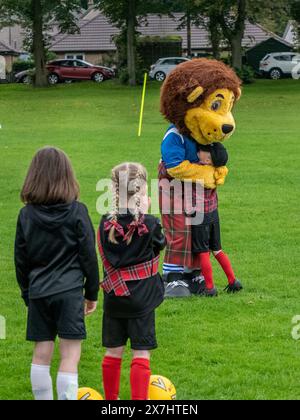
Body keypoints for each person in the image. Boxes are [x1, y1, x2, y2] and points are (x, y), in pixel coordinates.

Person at [14, 147, 99, 400]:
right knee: (70, 355)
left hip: (39, 292)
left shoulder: (26, 215)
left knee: (41, 354)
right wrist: (91, 292)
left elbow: (21, 260)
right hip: (70, 292)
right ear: (67, 176)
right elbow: (88, 256)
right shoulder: (78, 211)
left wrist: (27, 293)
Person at [98, 162, 165, 400]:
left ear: (115, 188)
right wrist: (145, 213)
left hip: (114, 299)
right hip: (142, 300)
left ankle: (111, 401)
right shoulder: (150, 223)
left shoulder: (105, 222)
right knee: (141, 354)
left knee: (112, 353)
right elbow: (160, 244)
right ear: (143, 189)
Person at [191, 142, 243, 296]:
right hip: (213, 213)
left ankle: (209, 288)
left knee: (203, 252)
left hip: (200, 215)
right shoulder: (217, 171)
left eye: (201, 151)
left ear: (207, 160)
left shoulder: (198, 171)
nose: (198, 152)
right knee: (217, 250)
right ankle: (233, 281)